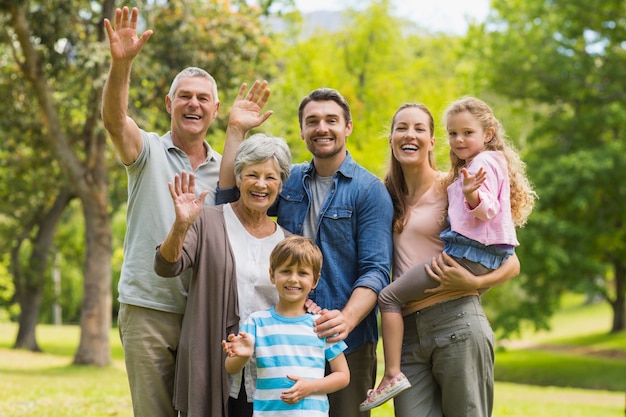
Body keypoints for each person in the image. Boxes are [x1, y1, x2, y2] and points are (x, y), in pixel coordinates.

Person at [102, 7, 272, 417]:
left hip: (206, 310)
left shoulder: (225, 167)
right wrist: (121, 65)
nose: (192, 103)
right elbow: (113, 120)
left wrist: (238, 130)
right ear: (169, 104)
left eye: (202, 98)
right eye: (184, 96)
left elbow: (234, 196)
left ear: (214, 110)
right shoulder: (147, 151)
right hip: (150, 307)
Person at [218, 88, 394, 417]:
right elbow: (230, 198)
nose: (321, 128)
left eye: (331, 120)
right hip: (288, 337)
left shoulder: (370, 191)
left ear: (348, 127)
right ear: (302, 131)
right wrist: (236, 132)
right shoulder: (290, 180)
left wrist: (347, 319)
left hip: (348, 341)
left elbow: (376, 270)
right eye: (312, 121)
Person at [361, 102, 530, 416]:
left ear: (432, 141)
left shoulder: (454, 188)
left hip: (457, 322)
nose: (410, 134)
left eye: (419, 128)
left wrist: (475, 281)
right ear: (391, 139)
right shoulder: (382, 197)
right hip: (406, 334)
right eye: (402, 127)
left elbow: (511, 262)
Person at [154, 133, 292, 417]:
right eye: (252, 174)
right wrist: (181, 225)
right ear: (238, 178)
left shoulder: (287, 242)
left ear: (281, 184)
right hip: (213, 361)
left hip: (269, 372)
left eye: (271, 177)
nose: (261, 184)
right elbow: (166, 266)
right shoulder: (208, 220)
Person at [222, 235, 351, 416]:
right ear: (272, 275)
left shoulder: (321, 325)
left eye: (302, 273)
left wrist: (310, 387)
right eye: (286, 271)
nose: (293, 279)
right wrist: (243, 356)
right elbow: (230, 367)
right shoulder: (256, 322)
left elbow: (343, 376)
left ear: (315, 280)